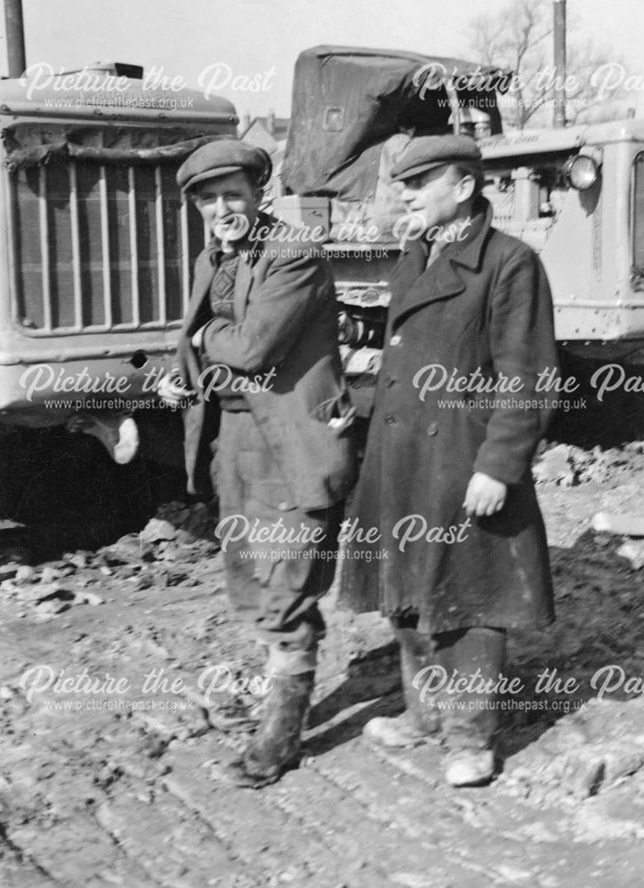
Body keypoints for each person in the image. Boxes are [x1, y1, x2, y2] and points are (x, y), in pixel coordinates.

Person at [339, 134, 558, 787]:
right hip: (402, 455)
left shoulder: (510, 263)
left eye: (420, 181)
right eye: (403, 182)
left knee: (471, 600)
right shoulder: (416, 254)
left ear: (463, 187)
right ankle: (423, 713)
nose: (405, 192)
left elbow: (530, 377)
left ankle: (470, 739)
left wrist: (499, 465)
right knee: (405, 594)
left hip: (463, 456)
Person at [159, 139, 356, 787]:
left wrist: (200, 341)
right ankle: (282, 694)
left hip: (291, 442)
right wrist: (182, 374)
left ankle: (279, 741)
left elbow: (249, 347)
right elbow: (203, 349)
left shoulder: (293, 254)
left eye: (233, 196)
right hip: (234, 438)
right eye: (209, 200)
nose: (222, 209)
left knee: (287, 582)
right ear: (196, 207)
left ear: (258, 195)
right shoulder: (210, 258)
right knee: (249, 580)